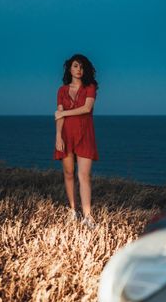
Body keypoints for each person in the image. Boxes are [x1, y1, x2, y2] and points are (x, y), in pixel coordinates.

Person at [54, 54, 99, 228]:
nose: (79, 70)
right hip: (65, 134)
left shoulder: (90, 87)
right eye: (75, 66)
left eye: (81, 67)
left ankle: (88, 216)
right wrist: (58, 135)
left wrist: (63, 113)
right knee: (69, 174)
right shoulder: (62, 90)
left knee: (85, 176)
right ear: (69, 69)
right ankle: (72, 211)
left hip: (85, 134)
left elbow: (87, 108)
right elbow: (59, 117)